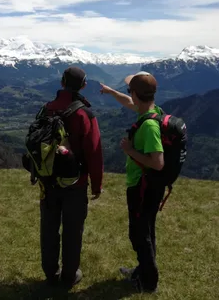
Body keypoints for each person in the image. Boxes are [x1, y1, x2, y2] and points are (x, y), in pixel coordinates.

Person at [100, 71, 165, 293]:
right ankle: (145, 270)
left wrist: (129, 150)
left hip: (142, 187)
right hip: (148, 186)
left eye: (130, 91)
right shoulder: (153, 112)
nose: (129, 95)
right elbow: (130, 103)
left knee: (139, 234)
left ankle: (148, 282)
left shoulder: (149, 126)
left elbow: (157, 162)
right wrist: (111, 92)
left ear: (136, 93)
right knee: (146, 231)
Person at [40, 66, 104, 288]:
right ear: (84, 85)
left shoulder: (47, 109)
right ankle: (69, 276)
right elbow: (94, 152)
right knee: (72, 230)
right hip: (75, 183)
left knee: (49, 227)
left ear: (61, 83)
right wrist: (96, 184)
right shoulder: (84, 113)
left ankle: (50, 272)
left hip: (48, 181)